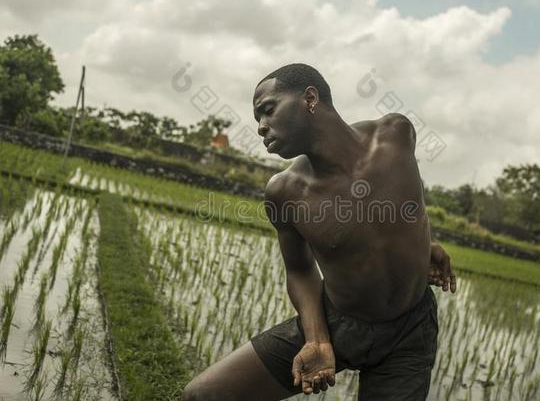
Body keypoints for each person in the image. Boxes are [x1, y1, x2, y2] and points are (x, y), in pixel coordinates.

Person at [182, 63, 456, 401]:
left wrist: (425, 241)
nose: (261, 127)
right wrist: (317, 340)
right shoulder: (285, 192)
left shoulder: (396, 135)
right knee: (204, 395)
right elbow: (299, 270)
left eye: (267, 110)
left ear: (310, 98)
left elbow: (408, 201)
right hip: (337, 321)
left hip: (411, 330)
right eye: (257, 120)